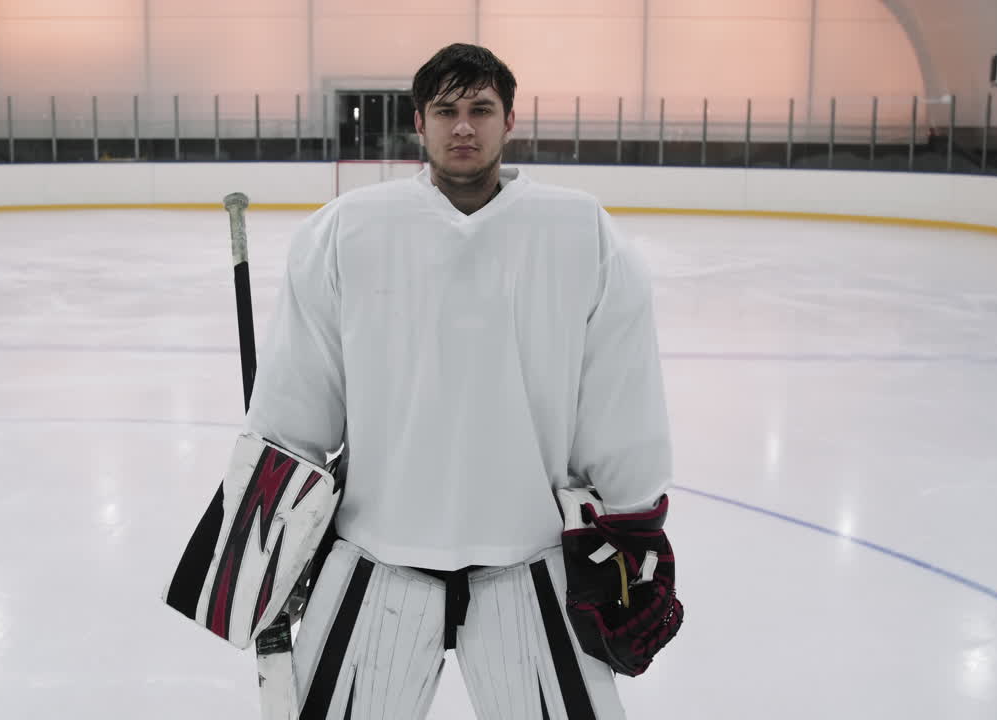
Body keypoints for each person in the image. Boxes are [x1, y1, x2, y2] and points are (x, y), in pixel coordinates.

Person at [243, 43, 676, 719]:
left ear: (511, 120)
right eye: (446, 110)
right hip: (374, 559)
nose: (464, 127)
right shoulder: (346, 231)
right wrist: (267, 551)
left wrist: (634, 530)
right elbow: (295, 406)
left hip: (530, 564)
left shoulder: (580, 231)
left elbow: (621, 400)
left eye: (481, 108)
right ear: (419, 121)